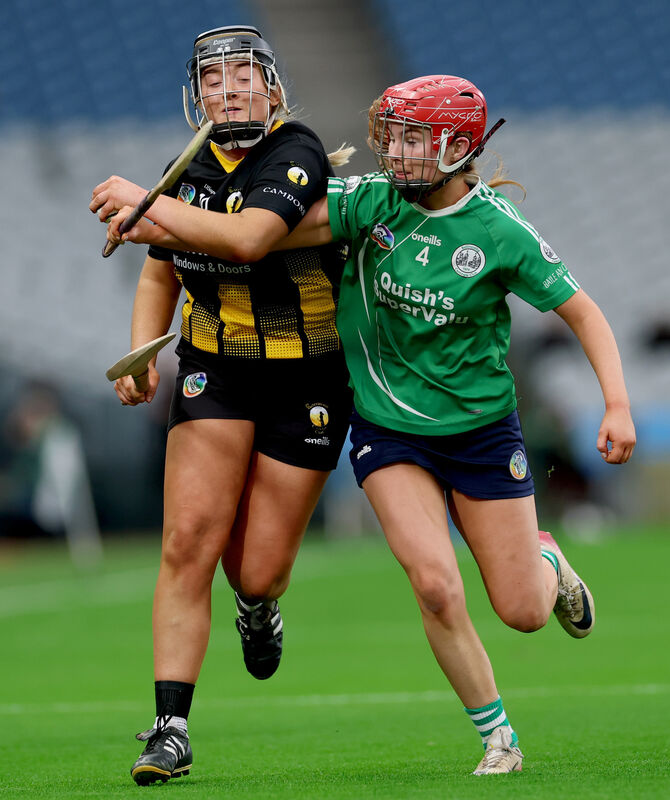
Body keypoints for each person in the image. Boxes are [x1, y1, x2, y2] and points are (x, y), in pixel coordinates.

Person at [106, 74, 636, 776]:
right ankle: (497, 736)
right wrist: (163, 222)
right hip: (389, 432)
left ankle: (548, 562)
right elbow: (254, 237)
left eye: (414, 138)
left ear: (456, 146)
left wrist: (618, 403)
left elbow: (584, 313)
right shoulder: (370, 203)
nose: (395, 150)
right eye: (394, 134)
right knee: (435, 585)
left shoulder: (500, 234)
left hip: (480, 432)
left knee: (524, 612)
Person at [90, 25, 353, 786]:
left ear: (272, 90)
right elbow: (158, 273)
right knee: (186, 544)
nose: (228, 89)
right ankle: (171, 727)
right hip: (215, 372)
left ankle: (258, 606)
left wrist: (150, 204)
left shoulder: (294, 153)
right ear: (194, 94)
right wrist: (143, 350)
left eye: (244, 76)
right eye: (214, 79)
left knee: (259, 570)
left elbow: (246, 241)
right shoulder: (185, 172)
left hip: (305, 380)